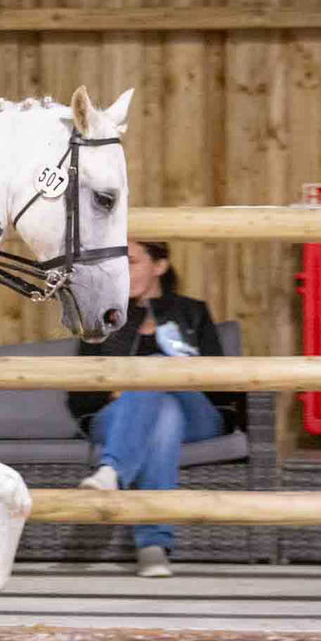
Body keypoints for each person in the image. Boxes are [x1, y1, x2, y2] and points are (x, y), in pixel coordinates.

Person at [68, 241, 245, 578]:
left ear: (159, 265)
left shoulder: (193, 312)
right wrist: (115, 393)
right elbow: (79, 393)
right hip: (117, 418)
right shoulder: (103, 317)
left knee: (156, 368)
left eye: (132, 262)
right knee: (164, 416)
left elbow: (221, 385)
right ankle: (153, 546)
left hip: (198, 413)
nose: (122, 271)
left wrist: (169, 377)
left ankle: (112, 471)